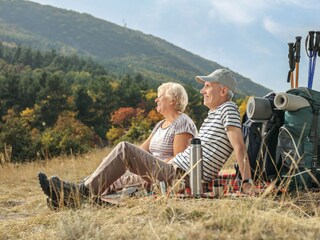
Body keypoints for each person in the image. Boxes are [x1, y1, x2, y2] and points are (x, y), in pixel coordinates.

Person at [39, 69, 254, 208]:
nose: (202, 90)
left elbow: (240, 148)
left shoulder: (229, 110)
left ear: (223, 90)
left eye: (208, 86)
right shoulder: (214, 114)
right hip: (176, 171)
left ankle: (79, 193)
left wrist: (246, 182)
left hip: (182, 176)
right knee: (121, 178)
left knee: (124, 149)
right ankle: (68, 197)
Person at [38, 82, 198, 207]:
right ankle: (65, 198)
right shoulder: (160, 124)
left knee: (122, 154)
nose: (156, 99)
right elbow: (140, 151)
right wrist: (117, 165)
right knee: (109, 171)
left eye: (160, 96)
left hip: (164, 176)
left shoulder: (182, 123)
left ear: (173, 100)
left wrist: (144, 167)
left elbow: (178, 162)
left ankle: (75, 194)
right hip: (151, 170)